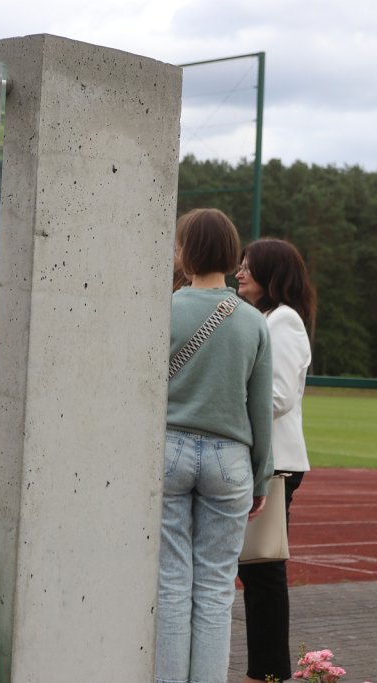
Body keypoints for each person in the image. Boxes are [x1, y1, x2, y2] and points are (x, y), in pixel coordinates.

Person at [156, 208, 273, 683]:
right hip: (230, 460)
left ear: (183, 251)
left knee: (170, 585)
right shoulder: (253, 322)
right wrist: (262, 477)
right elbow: (260, 410)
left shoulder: (161, 309)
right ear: (230, 253)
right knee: (216, 590)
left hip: (168, 450)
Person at [235, 238, 316, 683]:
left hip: (276, 463)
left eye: (249, 266)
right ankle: (265, 670)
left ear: (272, 274)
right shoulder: (262, 317)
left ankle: (267, 673)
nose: (239, 272)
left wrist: (226, 400)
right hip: (266, 459)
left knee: (263, 569)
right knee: (257, 570)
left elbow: (279, 396)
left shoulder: (284, 320)